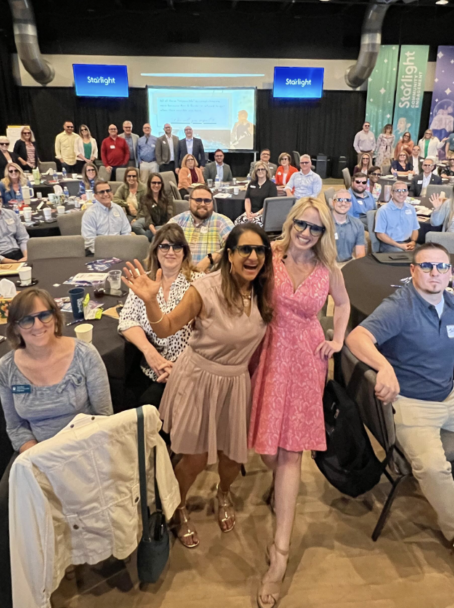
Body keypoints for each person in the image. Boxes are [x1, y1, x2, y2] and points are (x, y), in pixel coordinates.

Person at [347, 243, 454, 600]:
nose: (435, 273)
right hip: (411, 403)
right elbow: (357, 337)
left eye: (441, 267)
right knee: (433, 467)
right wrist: (385, 366)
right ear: (413, 271)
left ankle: (432, 448)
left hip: (450, 396)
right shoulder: (400, 306)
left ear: (451, 273)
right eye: (426, 267)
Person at [120, 223, 274, 549]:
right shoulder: (205, 288)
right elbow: (165, 328)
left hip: (235, 382)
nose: (253, 256)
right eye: (244, 249)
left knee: (232, 456)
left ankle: (223, 492)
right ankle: (177, 507)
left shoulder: (264, 290)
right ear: (229, 255)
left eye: (259, 250)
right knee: (195, 459)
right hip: (198, 378)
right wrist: (151, 301)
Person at [250, 198, 351, 605]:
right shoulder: (269, 255)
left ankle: (280, 554)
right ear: (290, 224)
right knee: (266, 450)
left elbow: (343, 304)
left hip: (307, 358)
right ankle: (280, 485)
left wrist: (338, 339)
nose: (307, 233)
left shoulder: (328, 269)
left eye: (316, 228)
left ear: (324, 232)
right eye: (301, 225)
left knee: (290, 453)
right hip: (267, 352)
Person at [0, 288, 112, 608]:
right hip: (35, 452)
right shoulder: (5, 369)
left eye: (44, 315)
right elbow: (15, 426)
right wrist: (37, 458)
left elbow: (103, 417)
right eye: (26, 319)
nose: (37, 325)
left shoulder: (85, 355)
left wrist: (69, 458)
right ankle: (13, 599)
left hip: (82, 448)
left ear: (56, 318)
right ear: (15, 328)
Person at [118, 224, 197, 407]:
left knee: (148, 405)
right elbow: (127, 320)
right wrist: (149, 351)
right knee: (123, 401)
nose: (171, 252)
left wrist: (178, 367)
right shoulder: (144, 281)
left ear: (184, 252)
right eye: (164, 246)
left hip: (189, 369)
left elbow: (208, 334)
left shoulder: (199, 283)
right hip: (149, 368)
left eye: (177, 246)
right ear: (155, 250)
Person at [169, 184, 234, 270]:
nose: (203, 204)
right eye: (198, 200)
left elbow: (236, 247)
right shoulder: (177, 222)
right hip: (179, 274)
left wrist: (210, 259)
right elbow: (161, 247)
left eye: (207, 201)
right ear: (189, 201)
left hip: (210, 276)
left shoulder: (221, 222)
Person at [80, 180, 131, 253]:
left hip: (120, 250)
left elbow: (126, 232)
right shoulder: (90, 214)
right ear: (95, 196)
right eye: (102, 192)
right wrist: (107, 251)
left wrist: (122, 248)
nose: (106, 194)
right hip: (99, 252)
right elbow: (89, 241)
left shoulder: (119, 209)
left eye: (108, 191)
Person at [375, 180, 420, 252]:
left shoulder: (411, 208)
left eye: (404, 190)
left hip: (408, 243)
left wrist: (413, 241)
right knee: (405, 256)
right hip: (390, 244)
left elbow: (415, 229)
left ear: (407, 192)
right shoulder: (383, 211)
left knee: (426, 253)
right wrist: (399, 245)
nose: (401, 193)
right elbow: (380, 234)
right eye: (398, 191)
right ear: (392, 193)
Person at [330, 188, 366, 261]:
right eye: (339, 200)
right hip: (326, 265)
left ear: (350, 204)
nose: (343, 203)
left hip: (348, 263)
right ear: (333, 203)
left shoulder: (358, 224)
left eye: (347, 200)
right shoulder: (323, 222)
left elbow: (360, 254)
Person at [136, 173, 174, 240]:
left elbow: (170, 215)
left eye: (159, 183)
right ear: (149, 184)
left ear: (162, 184)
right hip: (152, 227)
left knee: (154, 238)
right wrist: (155, 232)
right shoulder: (144, 198)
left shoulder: (168, 197)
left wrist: (162, 230)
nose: (156, 185)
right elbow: (148, 218)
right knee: (142, 231)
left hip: (165, 226)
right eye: (154, 183)